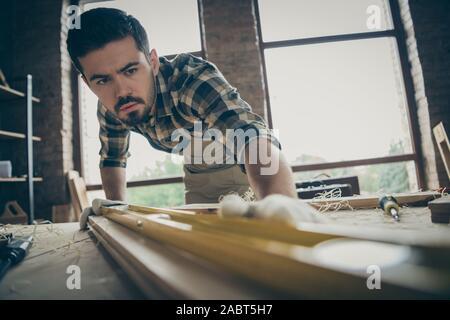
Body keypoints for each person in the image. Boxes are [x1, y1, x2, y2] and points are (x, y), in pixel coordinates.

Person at [67, 8, 297, 204]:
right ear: (88, 83)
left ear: (153, 62)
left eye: (130, 71)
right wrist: (114, 212)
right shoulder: (110, 106)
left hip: (243, 161)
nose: (121, 92)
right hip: (196, 163)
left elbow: (249, 135)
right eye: (102, 80)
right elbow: (112, 158)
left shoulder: (190, 80)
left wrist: (281, 207)